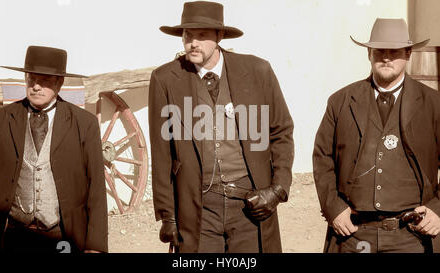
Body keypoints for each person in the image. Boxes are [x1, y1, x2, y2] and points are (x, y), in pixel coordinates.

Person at [148, 1, 294, 253]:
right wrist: (168, 216)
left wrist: (278, 189)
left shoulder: (258, 71)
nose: (193, 42)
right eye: (187, 35)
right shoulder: (165, 79)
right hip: (198, 207)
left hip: (250, 204)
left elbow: (281, 132)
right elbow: (162, 152)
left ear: (220, 36)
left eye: (202, 35)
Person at [313, 18, 440, 253]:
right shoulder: (340, 102)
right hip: (353, 234)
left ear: (409, 53)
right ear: (369, 54)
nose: (387, 57)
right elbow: (323, 158)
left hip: (411, 237)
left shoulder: (433, 104)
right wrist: (333, 208)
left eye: (395, 51)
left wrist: (438, 209)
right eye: (380, 51)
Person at [0, 45, 108, 253]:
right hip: (14, 236)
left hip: (63, 236)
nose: (36, 86)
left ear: (59, 83)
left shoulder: (84, 124)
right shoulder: (0, 120)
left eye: (44, 80)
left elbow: (96, 188)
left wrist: (95, 245)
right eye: (31, 79)